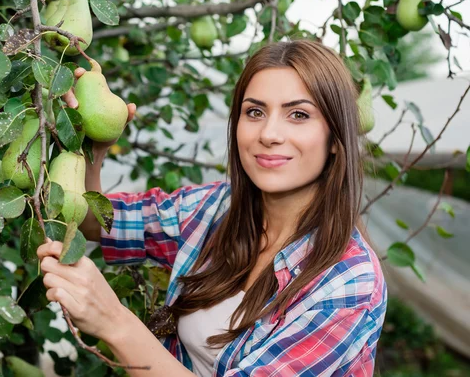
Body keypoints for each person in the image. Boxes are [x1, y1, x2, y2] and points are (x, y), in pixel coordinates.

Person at [37, 39, 388, 376]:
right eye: (255, 112)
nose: (269, 133)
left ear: (336, 140)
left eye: (298, 114)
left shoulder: (348, 282)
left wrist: (112, 320)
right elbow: (97, 224)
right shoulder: (214, 208)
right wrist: (90, 147)